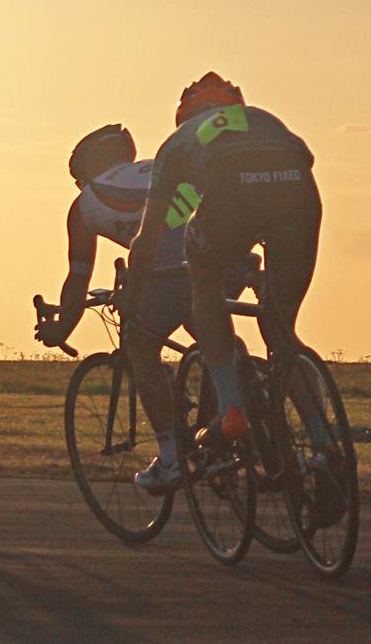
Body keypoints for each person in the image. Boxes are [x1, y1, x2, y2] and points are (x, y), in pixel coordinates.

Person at [124, 72, 324, 493]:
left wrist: (135, 287)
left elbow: (148, 239)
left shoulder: (177, 144)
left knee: (204, 285)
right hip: (299, 190)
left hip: (233, 190)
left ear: (184, 115)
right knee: (281, 329)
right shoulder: (261, 117)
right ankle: (325, 449)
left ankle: (232, 408)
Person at [33, 123, 195, 493]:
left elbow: (78, 279)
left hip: (169, 266)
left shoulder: (85, 203)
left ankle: (172, 457)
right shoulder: (158, 166)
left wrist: (61, 330)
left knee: (140, 346)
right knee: (212, 333)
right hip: (220, 242)